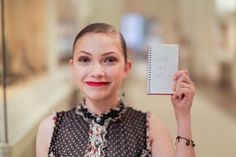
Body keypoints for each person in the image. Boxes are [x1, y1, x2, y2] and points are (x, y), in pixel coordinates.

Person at [36, 23, 196, 157]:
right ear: (73, 67)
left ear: (126, 68)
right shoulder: (50, 129)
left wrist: (183, 117)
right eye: (84, 60)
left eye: (109, 60)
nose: (97, 72)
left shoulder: (152, 128)